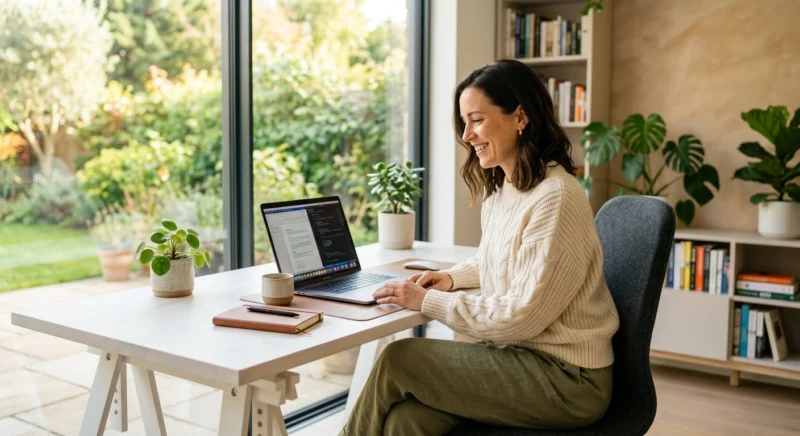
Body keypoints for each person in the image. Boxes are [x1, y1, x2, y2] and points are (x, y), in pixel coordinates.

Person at [339, 59, 620, 436]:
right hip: (524, 360)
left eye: (477, 120)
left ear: (520, 116)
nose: (467, 135)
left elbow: (522, 315)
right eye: (464, 123)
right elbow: (500, 259)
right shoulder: (504, 191)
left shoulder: (556, 197)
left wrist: (426, 302)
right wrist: (450, 279)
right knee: (407, 421)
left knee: (399, 359)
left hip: (569, 378)